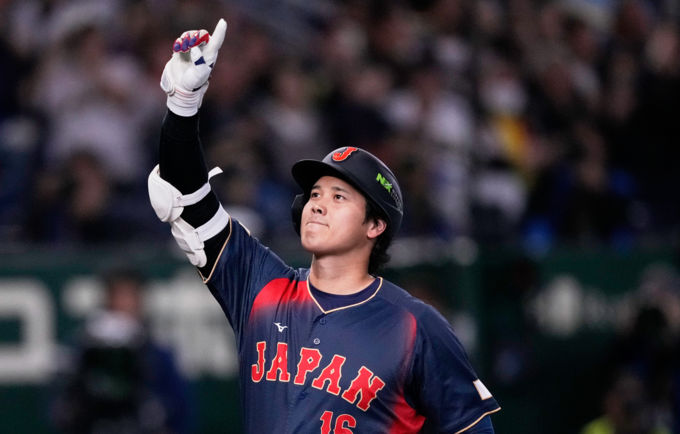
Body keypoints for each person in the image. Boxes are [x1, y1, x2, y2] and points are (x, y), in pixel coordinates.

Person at [148, 19, 500, 433]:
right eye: (315, 193)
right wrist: (183, 104)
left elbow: (472, 429)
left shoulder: (415, 325)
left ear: (375, 225)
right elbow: (186, 196)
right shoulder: (262, 286)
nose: (317, 203)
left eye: (339, 197)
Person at [50, 266, 192, 434]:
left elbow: (181, 411)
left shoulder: (157, 354)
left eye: (131, 296)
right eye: (119, 296)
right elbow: (60, 410)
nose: (126, 304)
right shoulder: (84, 349)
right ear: (107, 299)